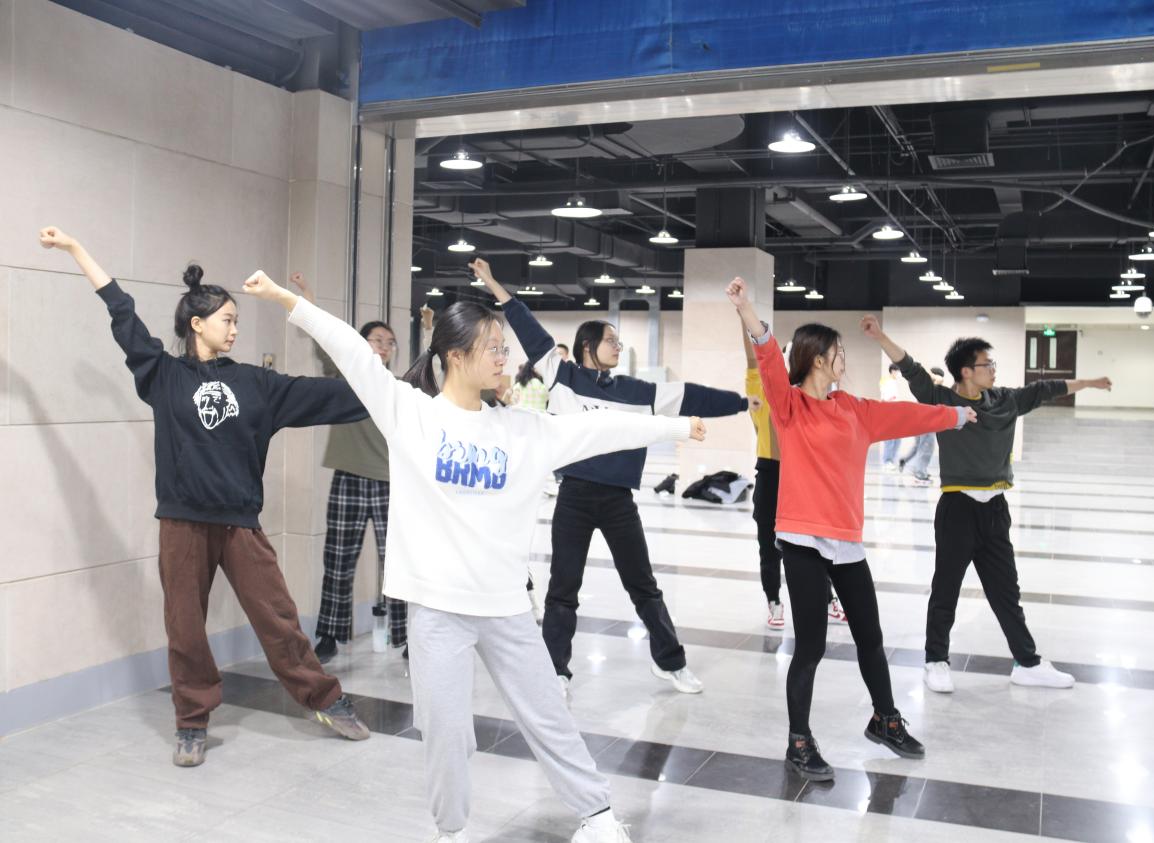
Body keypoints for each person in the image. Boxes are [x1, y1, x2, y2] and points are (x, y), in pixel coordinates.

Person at [243, 268, 704, 843]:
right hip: (436, 610)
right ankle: (452, 831)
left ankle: (598, 817)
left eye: (505, 347)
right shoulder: (410, 413)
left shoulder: (524, 430)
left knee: (547, 716)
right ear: (456, 356)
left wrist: (675, 426)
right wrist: (286, 298)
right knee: (445, 731)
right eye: (493, 347)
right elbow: (351, 351)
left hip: (505, 607)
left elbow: (601, 429)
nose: (505, 357)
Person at [38, 227, 371, 768]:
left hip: (241, 524)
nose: (235, 329)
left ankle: (325, 699)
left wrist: (399, 386)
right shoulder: (163, 376)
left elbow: (332, 395)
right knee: (184, 627)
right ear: (197, 324)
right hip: (182, 523)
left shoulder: (258, 385)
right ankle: (191, 722)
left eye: (237, 321)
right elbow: (122, 313)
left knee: (278, 619)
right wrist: (77, 249)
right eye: (227, 320)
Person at [728, 277, 975, 780]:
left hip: (846, 542)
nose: (844, 358)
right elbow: (768, 355)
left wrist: (953, 415)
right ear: (818, 359)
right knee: (811, 647)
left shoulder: (854, 410)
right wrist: (746, 307)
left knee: (870, 637)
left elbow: (905, 416)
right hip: (801, 541)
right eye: (839, 352)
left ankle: (885, 719)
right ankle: (799, 740)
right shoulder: (789, 406)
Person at [470, 259, 747, 700]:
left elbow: (692, 395)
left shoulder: (637, 392)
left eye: (619, 341)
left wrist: (744, 403)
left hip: (619, 501)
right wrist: (492, 283)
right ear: (587, 346)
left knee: (644, 587)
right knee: (563, 590)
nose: (618, 346)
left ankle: (670, 662)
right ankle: (555, 671)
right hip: (575, 497)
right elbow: (527, 326)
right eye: (611, 341)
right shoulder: (561, 376)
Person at [861, 316, 1112, 693]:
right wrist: (880, 336)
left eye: (993, 363)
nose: (993, 369)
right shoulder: (943, 400)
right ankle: (935, 660)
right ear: (966, 371)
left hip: (995, 510)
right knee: (946, 589)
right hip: (958, 509)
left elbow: (1046, 388)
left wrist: (1088, 383)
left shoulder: (1005, 400)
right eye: (986, 364)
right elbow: (911, 369)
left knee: (1006, 592)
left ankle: (1027, 663)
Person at [288, 272, 414, 663]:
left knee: (397, 564)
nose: (385, 346)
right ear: (362, 344)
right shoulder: (346, 374)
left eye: (390, 342)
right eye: (377, 340)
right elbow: (324, 340)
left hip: (391, 482)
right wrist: (308, 296)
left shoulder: (397, 385)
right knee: (338, 559)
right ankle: (330, 634)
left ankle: (405, 637)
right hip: (348, 477)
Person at [744, 328, 847, 631]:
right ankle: (774, 600)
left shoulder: (809, 397)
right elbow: (752, 361)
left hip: (802, 475)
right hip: (770, 473)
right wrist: (745, 320)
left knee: (815, 544)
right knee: (768, 545)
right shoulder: (765, 391)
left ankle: (827, 598)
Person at [878, 363, 910, 472]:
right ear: (893, 371)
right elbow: (884, 398)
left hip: (896, 413)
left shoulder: (894, 383)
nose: (899, 373)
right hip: (888, 413)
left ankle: (892, 460)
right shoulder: (885, 381)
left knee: (897, 439)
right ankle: (887, 461)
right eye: (898, 371)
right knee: (889, 439)